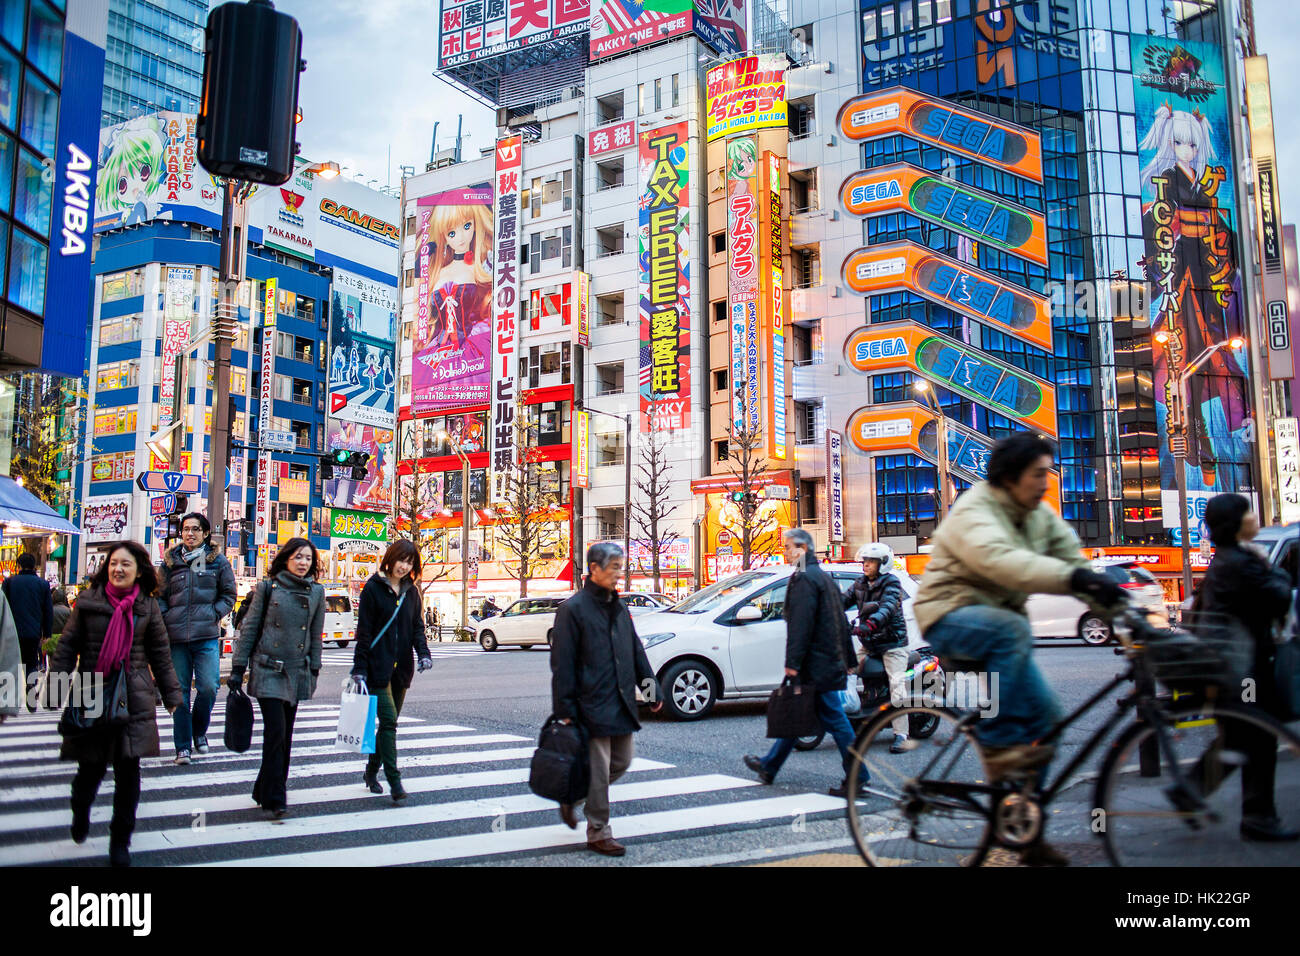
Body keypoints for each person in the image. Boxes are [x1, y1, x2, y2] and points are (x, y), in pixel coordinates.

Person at [912, 433, 1124, 864]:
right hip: (948, 614)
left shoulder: (1040, 517)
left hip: (996, 625)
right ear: (1011, 477)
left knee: (1049, 720)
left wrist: (1120, 612)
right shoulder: (976, 508)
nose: (1047, 482)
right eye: (1038, 473)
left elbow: (1075, 564)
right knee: (1012, 630)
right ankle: (998, 746)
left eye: (1048, 472)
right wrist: (1074, 581)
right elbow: (1001, 561)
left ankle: (1023, 827)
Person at [50, 541, 182, 866]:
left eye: (125, 564)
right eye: (113, 563)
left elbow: (161, 657)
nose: (118, 569)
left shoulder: (147, 607)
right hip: (92, 690)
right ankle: (80, 810)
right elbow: (68, 645)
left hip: (133, 695)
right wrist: (54, 687)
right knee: (90, 769)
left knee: (128, 774)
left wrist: (173, 697)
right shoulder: (88, 601)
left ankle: (119, 841)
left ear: (139, 571)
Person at [1181, 494, 1298, 841]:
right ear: (1236, 522)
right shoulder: (1238, 561)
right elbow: (1278, 594)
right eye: (1248, 512)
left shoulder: (1231, 559)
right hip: (1242, 670)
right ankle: (1256, 817)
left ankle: (1196, 793)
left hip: (1236, 667)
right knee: (1256, 740)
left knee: (1244, 740)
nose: (1254, 516)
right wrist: (1270, 566)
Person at [551, 542, 662, 856]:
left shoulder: (619, 606)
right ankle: (599, 831)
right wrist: (565, 710)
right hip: (589, 702)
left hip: (620, 698)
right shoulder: (572, 610)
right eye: (613, 567)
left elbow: (636, 650)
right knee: (599, 771)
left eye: (620, 567)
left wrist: (651, 690)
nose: (618, 574)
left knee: (622, 761)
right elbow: (562, 666)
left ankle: (572, 796)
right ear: (594, 569)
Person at [743, 528, 867, 798]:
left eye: (789, 547)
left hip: (815, 663)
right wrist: (848, 657)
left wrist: (793, 662)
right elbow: (841, 621)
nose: (786, 552)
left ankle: (859, 775)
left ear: (804, 549)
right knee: (798, 711)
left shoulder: (803, 579)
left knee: (833, 718)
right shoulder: (823, 578)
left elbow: (801, 624)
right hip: (828, 660)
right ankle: (769, 765)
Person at [228, 538, 324, 819]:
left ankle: (263, 787)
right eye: (298, 557)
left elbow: (315, 635)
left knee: (286, 735)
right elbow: (250, 629)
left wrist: (314, 667)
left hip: (297, 670)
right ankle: (275, 796)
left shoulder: (317, 592)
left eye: (308, 558)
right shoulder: (267, 588)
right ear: (285, 559)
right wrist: (237, 668)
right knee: (276, 733)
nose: (303, 562)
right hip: (268, 668)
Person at [350, 540, 432, 801]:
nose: (404, 566)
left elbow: (417, 628)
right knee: (388, 721)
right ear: (390, 559)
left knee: (389, 723)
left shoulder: (412, 592)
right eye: (401, 560)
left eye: (409, 562)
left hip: (402, 668)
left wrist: (424, 654)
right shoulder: (372, 589)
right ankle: (395, 781)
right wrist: (360, 668)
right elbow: (364, 633)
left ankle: (371, 771)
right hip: (376, 667)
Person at [157, 512, 237, 764]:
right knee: (179, 693)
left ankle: (198, 730)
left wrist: (214, 613)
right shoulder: (170, 562)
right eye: (185, 529)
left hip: (205, 636)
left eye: (195, 529)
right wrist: (166, 615)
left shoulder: (217, 562)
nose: (189, 533)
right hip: (177, 637)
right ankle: (183, 747)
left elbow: (229, 594)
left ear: (204, 533)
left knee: (209, 687)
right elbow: (159, 595)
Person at [844, 542, 910, 754]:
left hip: (892, 644)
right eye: (865, 561)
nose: (866, 565)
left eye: (870, 561)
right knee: (846, 669)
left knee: (897, 686)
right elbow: (843, 600)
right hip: (869, 644)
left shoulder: (892, 583)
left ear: (883, 564)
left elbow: (888, 607)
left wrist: (871, 623)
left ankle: (901, 735)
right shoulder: (860, 583)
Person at [4, 552, 52, 712]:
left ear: (18, 565)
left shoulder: (10, 583)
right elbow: (48, 611)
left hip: (12, 632)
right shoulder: (43, 585)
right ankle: (31, 690)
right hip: (33, 632)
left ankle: (8, 699)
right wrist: (47, 634)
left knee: (11, 664)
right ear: (35, 566)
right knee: (31, 662)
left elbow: (4, 608)